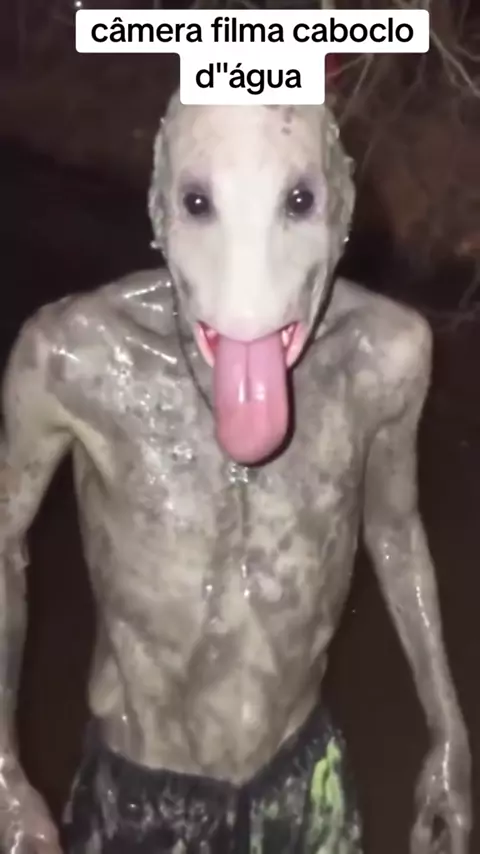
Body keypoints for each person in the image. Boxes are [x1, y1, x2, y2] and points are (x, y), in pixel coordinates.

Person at [0, 94, 471, 853]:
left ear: (341, 206)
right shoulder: (73, 360)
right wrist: (3, 771)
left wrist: (449, 733)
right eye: (197, 204)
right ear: (159, 210)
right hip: (142, 790)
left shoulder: (385, 357)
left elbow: (394, 531)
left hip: (303, 775)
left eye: (298, 202)